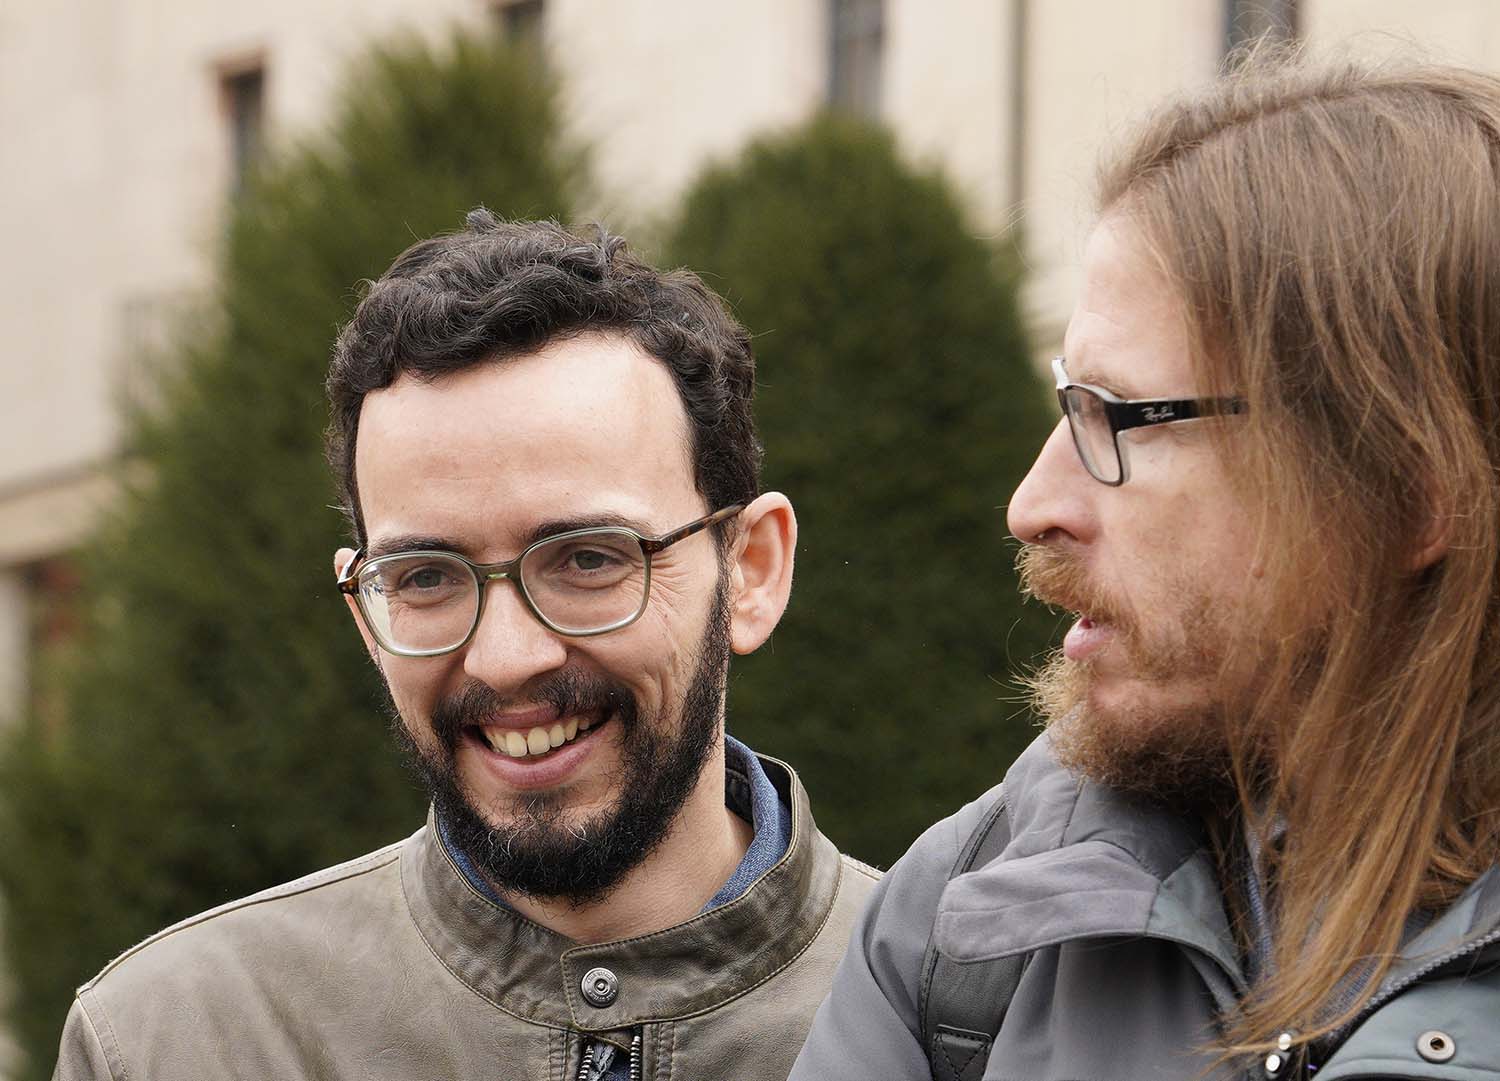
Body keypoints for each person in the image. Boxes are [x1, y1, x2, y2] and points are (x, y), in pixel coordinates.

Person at [791, 54, 1500, 1081]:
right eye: (1065, 401)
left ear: (1410, 494)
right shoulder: (971, 915)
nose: (1032, 507)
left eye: (1121, 418)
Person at [53, 213, 879, 1081]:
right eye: (426, 577)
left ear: (750, 569)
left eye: (588, 559)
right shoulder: (173, 1042)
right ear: (366, 613)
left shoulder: (974, 1027)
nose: (504, 657)